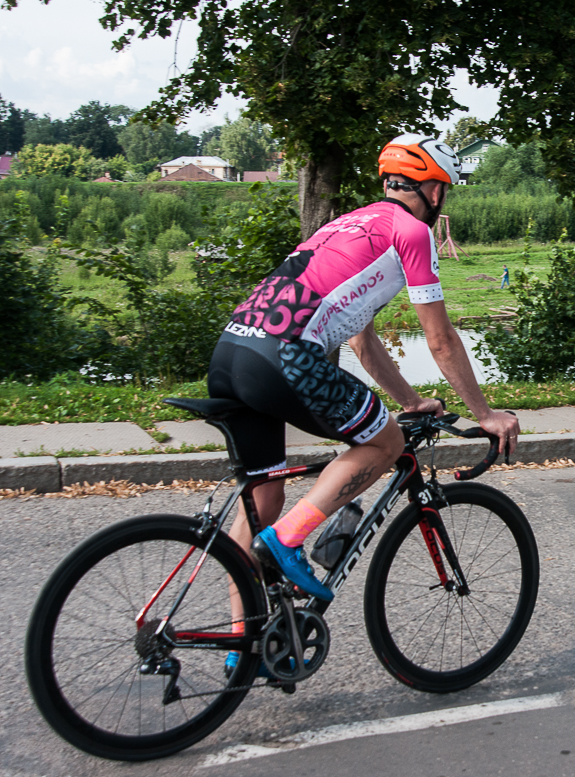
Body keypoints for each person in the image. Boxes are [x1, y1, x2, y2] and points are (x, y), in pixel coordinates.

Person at [208, 134, 521, 611]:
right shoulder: (411, 233)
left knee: (262, 504)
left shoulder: (348, 223)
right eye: (446, 190)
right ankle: (287, 542)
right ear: (435, 192)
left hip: (233, 350)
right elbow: (440, 339)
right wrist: (485, 412)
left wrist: (413, 402)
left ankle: (241, 646)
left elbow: (363, 340)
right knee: (385, 442)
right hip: (284, 357)